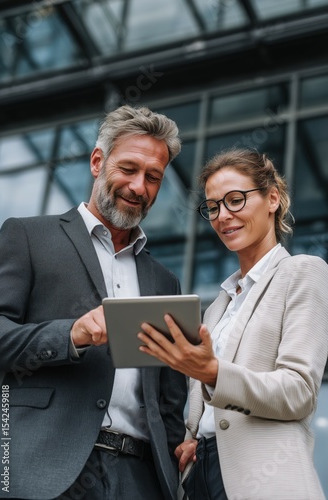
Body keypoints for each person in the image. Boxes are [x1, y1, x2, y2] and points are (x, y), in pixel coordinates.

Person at [0, 105, 188, 500]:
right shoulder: (28, 237)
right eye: (129, 169)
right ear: (97, 161)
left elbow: (168, 397)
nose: (139, 187)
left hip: (140, 478)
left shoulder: (164, 280)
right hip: (42, 468)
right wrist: (72, 334)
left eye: (153, 177)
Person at [137, 148, 328, 500]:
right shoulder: (215, 309)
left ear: (272, 198)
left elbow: (299, 391)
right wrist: (192, 438)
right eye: (213, 206)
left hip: (264, 478)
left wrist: (214, 373)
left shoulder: (303, 272)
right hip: (201, 476)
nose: (223, 215)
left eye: (235, 200)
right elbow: (209, 407)